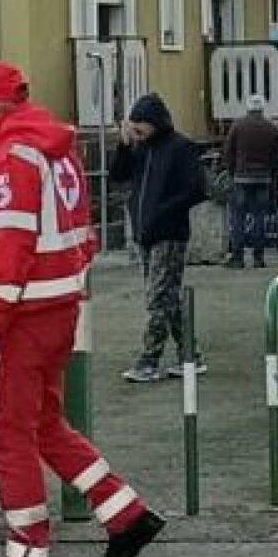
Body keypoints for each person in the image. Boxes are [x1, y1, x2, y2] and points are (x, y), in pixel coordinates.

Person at [0, 61, 163, 557]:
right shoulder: (54, 150)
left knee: (9, 438)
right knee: (46, 424)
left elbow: (7, 251)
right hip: (56, 309)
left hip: (19, 319)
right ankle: (125, 514)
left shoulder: (10, 159)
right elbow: (80, 233)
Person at [110, 92, 206, 384]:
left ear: (155, 123)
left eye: (141, 126)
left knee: (157, 297)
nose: (137, 132)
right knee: (168, 296)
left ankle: (149, 358)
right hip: (145, 232)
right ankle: (190, 352)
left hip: (169, 233)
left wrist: (164, 212)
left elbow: (196, 189)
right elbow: (119, 175)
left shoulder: (181, 148)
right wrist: (124, 147)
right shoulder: (140, 149)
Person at [222, 97, 278, 269]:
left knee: (238, 219)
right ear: (263, 109)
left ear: (247, 108)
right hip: (263, 178)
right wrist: (271, 172)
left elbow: (228, 151)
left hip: (241, 178)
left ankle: (237, 257)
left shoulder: (237, 126)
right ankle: (258, 257)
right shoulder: (271, 128)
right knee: (259, 218)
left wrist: (232, 171)